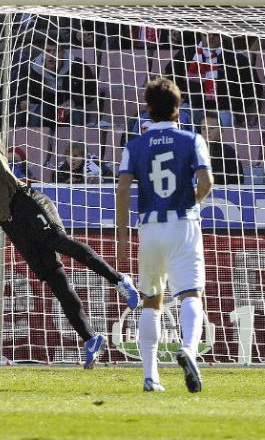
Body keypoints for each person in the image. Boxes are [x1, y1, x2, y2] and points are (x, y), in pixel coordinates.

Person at [0, 66, 140, 369]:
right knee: (55, 280)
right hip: (9, 222)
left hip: (26, 200)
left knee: (58, 240)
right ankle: (90, 338)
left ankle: (120, 280)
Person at [115, 77, 213, 393]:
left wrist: (121, 236)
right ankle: (187, 348)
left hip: (149, 228)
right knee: (190, 294)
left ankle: (150, 376)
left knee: (151, 301)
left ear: (148, 109)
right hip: (182, 223)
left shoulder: (134, 145)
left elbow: (123, 189)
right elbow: (207, 180)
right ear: (178, 108)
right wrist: (191, 203)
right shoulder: (192, 139)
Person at [200, 110, 243, 185]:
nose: (207, 131)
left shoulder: (229, 152)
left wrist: (214, 178)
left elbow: (238, 179)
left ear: (221, 130)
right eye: (204, 128)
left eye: (212, 128)